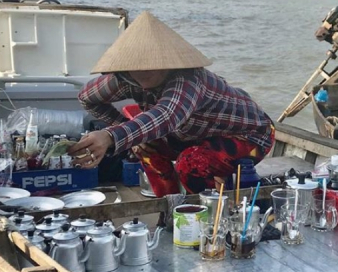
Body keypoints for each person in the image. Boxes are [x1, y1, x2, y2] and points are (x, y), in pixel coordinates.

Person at [68, 11, 274, 197]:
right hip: (192, 136)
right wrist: (120, 125)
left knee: (191, 163)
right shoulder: (125, 79)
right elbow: (87, 98)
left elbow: (166, 115)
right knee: (144, 147)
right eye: (135, 65)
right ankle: (170, 207)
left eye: (152, 64)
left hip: (250, 135)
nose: (142, 71)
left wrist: (111, 135)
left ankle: (206, 214)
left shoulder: (189, 79)